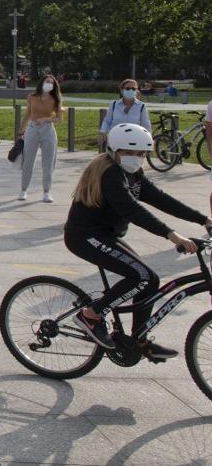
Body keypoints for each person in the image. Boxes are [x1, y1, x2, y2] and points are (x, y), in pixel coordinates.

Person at [65, 123, 212, 357]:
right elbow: (133, 211)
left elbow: (161, 199)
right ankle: (90, 315)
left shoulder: (132, 173)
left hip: (106, 235)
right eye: (129, 152)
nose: (135, 158)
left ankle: (139, 341)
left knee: (151, 279)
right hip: (85, 237)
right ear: (114, 151)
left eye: (141, 153)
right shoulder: (110, 174)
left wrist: (203, 219)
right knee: (140, 276)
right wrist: (173, 235)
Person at [19, 75, 62, 202]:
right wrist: (21, 130)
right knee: (28, 160)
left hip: (48, 130)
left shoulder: (55, 98)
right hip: (32, 129)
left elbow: (59, 118)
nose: (49, 84)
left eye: (51, 83)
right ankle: (23, 189)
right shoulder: (32, 97)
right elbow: (28, 113)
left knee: (48, 163)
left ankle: (47, 191)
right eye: (47, 82)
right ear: (42, 83)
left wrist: (46, 119)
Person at [97, 79, 151, 151]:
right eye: (128, 88)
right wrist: (102, 132)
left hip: (134, 142)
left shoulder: (142, 106)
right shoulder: (114, 104)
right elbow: (107, 121)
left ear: (136, 91)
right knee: (113, 161)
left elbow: (146, 124)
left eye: (133, 89)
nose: (131, 90)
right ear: (122, 90)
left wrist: (149, 139)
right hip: (115, 141)